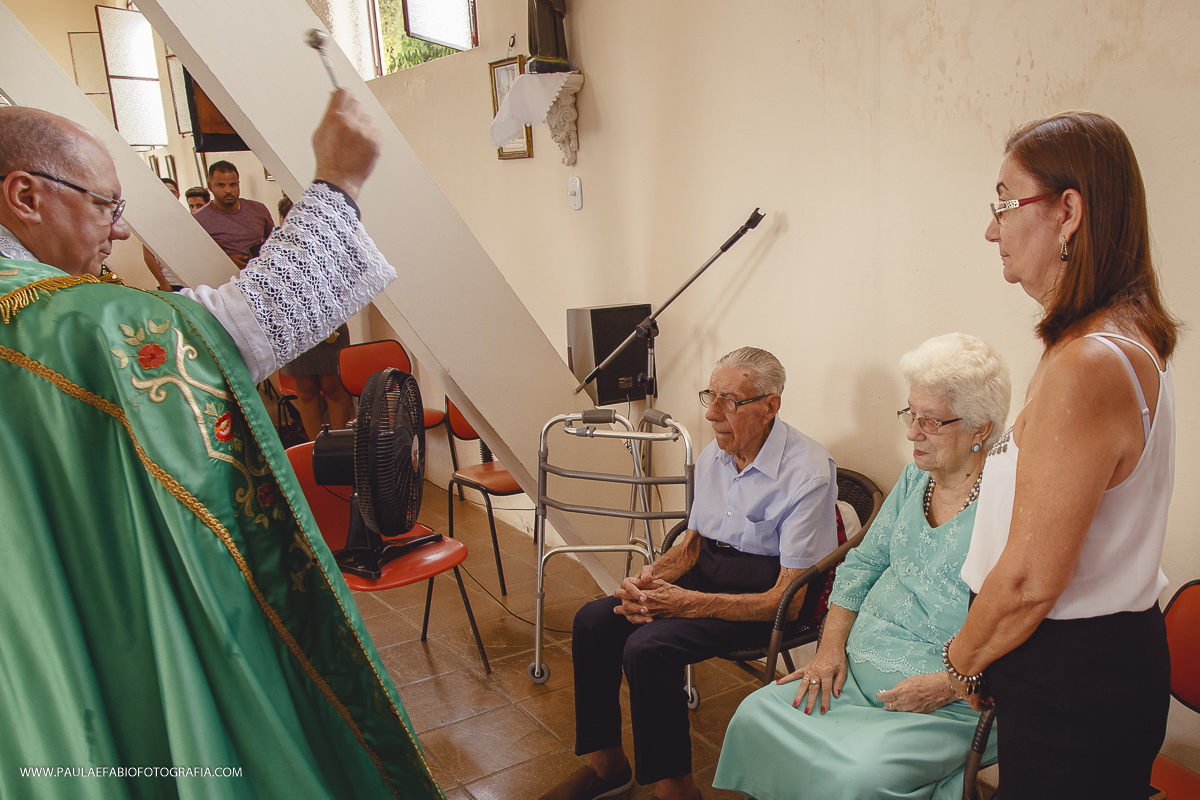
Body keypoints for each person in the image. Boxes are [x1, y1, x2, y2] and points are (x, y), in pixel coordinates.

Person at [0, 92, 440, 798]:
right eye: (107, 207)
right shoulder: (55, 324)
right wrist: (339, 185)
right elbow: (229, 333)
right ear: (26, 196)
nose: (118, 235)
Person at [945, 112, 1179, 798]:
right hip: (1081, 666)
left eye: (1004, 202)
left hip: (1073, 679)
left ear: (1068, 211)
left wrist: (963, 660)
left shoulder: (1089, 363)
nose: (992, 229)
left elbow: (1028, 580)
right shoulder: (1113, 342)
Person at [713, 333, 1010, 800]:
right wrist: (828, 651)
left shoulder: (1008, 504)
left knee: (855, 774)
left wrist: (948, 686)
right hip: (848, 670)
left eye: (930, 421)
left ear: (981, 428)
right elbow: (862, 564)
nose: (912, 432)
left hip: (940, 701)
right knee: (754, 715)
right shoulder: (917, 478)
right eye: (910, 413)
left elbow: (1016, 624)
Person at [539, 347, 839, 800]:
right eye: (710, 396)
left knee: (648, 647)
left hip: (763, 594)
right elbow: (692, 546)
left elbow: (790, 598)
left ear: (770, 405)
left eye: (730, 401)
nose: (712, 414)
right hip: (707, 572)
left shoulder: (808, 472)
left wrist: (686, 603)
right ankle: (608, 767)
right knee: (594, 620)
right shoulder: (716, 455)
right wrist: (647, 579)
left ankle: (675, 788)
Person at [276, 191, 354, 439]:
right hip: (294, 323)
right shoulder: (275, 249)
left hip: (329, 321)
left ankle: (339, 448)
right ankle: (315, 450)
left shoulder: (331, 243)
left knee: (334, 387)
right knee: (306, 390)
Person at [193, 160, 274, 268]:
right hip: (224, 279)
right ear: (210, 187)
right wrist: (225, 262)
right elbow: (198, 258)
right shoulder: (200, 219)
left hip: (262, 273)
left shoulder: (258, 209)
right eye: (221, 185)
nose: (228, 190)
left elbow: (275, 241)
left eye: (232, 185)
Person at [142, 176, 187, 291]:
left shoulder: (187, 219)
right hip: (169, 281)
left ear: (178, 195)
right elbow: (148, 255)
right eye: (163, 191)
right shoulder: (152, 220)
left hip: (190, 280)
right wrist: (162, 282)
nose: (168, 195)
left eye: (171, 192)